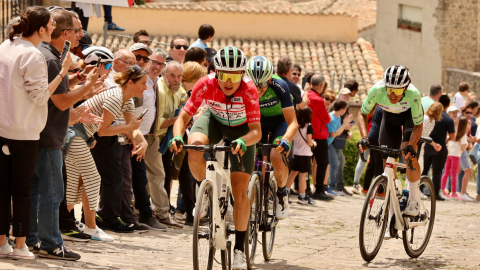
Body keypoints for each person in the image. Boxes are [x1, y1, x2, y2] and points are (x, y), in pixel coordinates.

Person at [169, 47, 260, 269]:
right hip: (215, 121)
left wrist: (242, 142)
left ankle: (239, 249)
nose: (228, 82)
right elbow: (183, 117)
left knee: (240, 191)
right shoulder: (206, 83)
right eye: (223, 75)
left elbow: (256, 131)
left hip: (242, 131)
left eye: (234, 76)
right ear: (215, 72)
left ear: (242, 74)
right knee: (195, 146)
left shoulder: (249, 89)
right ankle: (206, 192)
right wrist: (178, 137)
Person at [27, 9, 100, 261]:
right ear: (65, 33)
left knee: (37, 190)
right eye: (77, 31)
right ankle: (50, 243)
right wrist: (88, 86)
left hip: (41, 134)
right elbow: (60, 101)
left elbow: (59, 90)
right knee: (53, 192)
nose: (81, 35)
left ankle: (33, 238)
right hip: (48, 137)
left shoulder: (49, 55)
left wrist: (79, 79)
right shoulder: (51, 59)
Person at [0, 6, 68, 260]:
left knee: (4, 188)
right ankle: (19, 245)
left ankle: (3, 243)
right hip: (23, 131)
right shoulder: (33, 54)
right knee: (23, 190)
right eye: (51, 24)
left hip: (3, 127)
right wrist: (62, 72)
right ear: (40, 29)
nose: (54, 28)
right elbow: (40, 97)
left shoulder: (5, 46)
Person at [66, 65, 148, 238]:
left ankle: (67, 224)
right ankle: (88, 226)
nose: (146, 88)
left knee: (75, 183)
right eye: (143, 83)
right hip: (74, 134)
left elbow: (132, 128)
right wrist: (129, 128)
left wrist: (143, 143)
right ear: (131, 82)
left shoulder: (127, 99)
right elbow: (103, 131)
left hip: (80, 135)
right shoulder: (116, 96)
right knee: (92, 178)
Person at [358, 65, 424, 217]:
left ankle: (414, 199)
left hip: (408, 118)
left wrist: (412, 145)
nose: (393, 95)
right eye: (389, 90)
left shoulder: (413, 94)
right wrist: (364, 137)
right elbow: (362, 113)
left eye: (398, 90)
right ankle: (393, 195)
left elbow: (418, 125)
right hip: (388, 119)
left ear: (406, 88)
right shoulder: (377, 90)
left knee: (408, 156)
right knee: (387, 159)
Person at [245, 55, 298, 219]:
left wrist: (286, 140)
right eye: (254, 84)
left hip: (280, 121)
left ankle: (282, 193)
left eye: (261, 84)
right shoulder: (244, 86)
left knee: (276, 156)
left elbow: (293, 122)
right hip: (258, 120)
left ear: (269, 80)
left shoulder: (279, 86)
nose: (257, 88)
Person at [142, 58, 184, 229]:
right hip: (150, 136)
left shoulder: (177, 90)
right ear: (164, 75)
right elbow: (158, 122)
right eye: (172, 75)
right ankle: (161, 214)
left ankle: (146, 211)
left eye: (179, 76)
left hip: (159, 138)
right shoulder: (159, 89)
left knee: (148, 177)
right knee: (157, 175)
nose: (176, 79)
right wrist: (179, 119)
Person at [422, 95, 455, 201]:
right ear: (448, 105)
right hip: (440, 147)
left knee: (424, 169)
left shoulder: (429, 117)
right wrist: (447, 140)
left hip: (427, 145)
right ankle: (435, 194)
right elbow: (453, 136)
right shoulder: (448, 119)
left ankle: (420, 190)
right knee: (437, 172)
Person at [308, 74, 334, 201]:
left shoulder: (306, 95)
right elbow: (326, 118)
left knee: (306, 163)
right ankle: (319, 190)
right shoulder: (318, 99)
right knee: (323, 163)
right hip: (318, 135)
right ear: (321, 85)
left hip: (306, 134)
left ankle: (304, 188)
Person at [286, 107, 316, 205]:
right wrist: (314, 144)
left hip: (295, 153)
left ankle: (285, 193)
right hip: (305, 154)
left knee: (292, 174)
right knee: (303, 176)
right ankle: (302, 196)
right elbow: (309, 141)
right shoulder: (308, 126)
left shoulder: (295, 126)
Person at [327, 100, 353, 195]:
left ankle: (336, 187)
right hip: (328, 143)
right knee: (335, 163)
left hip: (333, 143)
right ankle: (332, 187)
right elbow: (334, 134)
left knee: (340, 162)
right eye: (346, 108)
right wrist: (344, 124)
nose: (346, 111)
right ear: (341, 109)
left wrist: (346, 126)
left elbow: (338, 129)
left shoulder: (337, 117)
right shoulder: (332, 118)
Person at [440, 116, 469, 199]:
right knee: (454, 174)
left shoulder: (453, 133)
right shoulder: (463, 135)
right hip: (456, 156)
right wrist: (466, 145)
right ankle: (453, 193)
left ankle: (442, 190)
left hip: (449, 155)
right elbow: (463, 148)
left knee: (446, 173)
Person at [352, 104, 377, 194]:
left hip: (366, 139)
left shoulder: (366, 114)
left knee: (362, 161)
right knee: (374, 163)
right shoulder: (377, 114)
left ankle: (355, 184)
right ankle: (372, 187)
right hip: (375, 139)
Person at [418, 102, 443, 173]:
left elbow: (426, 135)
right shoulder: (425, 118)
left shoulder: (432, 121)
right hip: (416, 146)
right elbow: (420, 133)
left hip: (421, 147)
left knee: (420, 169)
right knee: (417, 170)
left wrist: (434, 144)